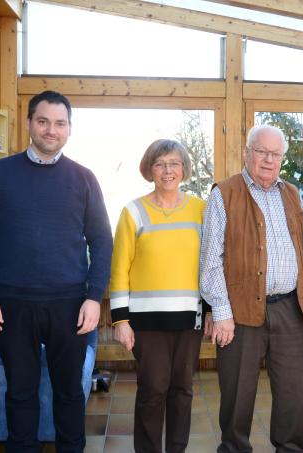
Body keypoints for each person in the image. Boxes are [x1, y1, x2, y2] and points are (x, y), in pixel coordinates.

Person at [0, 90, 113, 453]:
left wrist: (94, 298)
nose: (51, 130)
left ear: (69, 129)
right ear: (29, 123)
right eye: (43, 121)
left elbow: (101, 240)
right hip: (11, 304)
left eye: (59, 123)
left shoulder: (84, 178)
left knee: (69, 392)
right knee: (20, 392)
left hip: (69, 304)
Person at [200, 125, 303, 453]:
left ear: (282, 157)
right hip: (239, 311)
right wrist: (221, 313)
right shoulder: (224, 193)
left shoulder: (292, 194)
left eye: (275, 153)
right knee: (238, 394)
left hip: (288, 308)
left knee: (292, 394)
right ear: (246, 152)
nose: (268, 159)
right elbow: (210, 259)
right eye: (261, 151)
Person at [109, 139, 206, 453]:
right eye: (160, 163)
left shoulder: (201, 209)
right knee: (153, 390)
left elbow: (213, 262)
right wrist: (120, 320)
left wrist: (215, 310)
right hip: (146, 322)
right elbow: (119, 268)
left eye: (175, 163)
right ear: (149, 169)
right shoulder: (133, 211)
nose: (168, 170)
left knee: (183, 390)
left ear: (184, 169)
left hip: (190, 319)